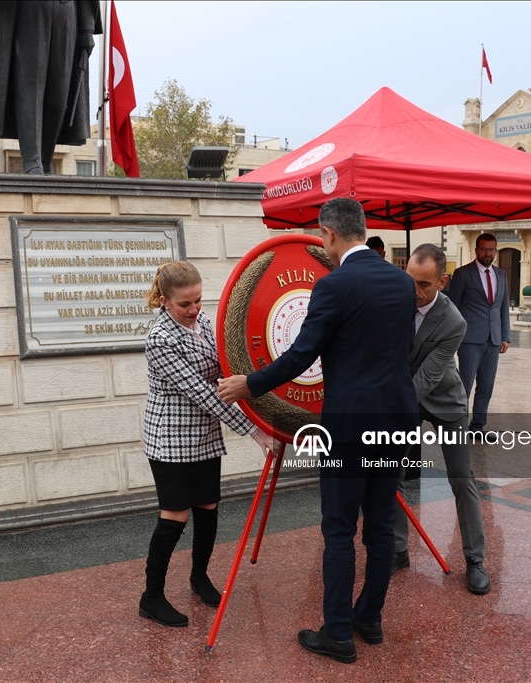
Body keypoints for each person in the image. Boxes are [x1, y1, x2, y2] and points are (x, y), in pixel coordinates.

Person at [218, 198, 418, 664]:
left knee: (339, 530)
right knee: (382, 527)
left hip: (350, 427)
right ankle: (370, 618)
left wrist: (249, 383)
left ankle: (339, 634)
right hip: (397, 422)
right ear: (362, 230)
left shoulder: (334, 285)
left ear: (328, 233)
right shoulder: (401, 281)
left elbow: (300, 356)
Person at [140, 261, 273, 628]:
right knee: (175, 516)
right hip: (172, 439)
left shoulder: (201, 323)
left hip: (204, 436)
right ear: (165, 301)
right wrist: (254, 431)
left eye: (198, 300)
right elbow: (204, 393)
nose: (195, 309)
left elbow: (225, 370)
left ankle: (199, 577)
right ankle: (151, 596)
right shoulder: (160, 340)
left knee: (208, 507)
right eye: (185, 304)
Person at [395, 244, 489, 594]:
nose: (415, 292)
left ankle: (475, 560)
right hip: (405, 398)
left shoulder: (454, 321)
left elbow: (429, 377)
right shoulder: (397, 302)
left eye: (424, 285)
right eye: (411, 282)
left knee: (461, 479)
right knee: (393, 473)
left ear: (442, 282)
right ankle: (398, 549)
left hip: (444, 402)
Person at [0, 1, 102, 174]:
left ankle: (46, 161)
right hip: (30, 9)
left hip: (66, 11)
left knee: (59, 98)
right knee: (30, 90)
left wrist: (87, 28)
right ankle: (33, 162)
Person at [447, 233, 511, 431]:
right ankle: (457, 425)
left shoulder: (501, 275)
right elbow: (453, 307)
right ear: (476, 250)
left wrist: (505, 337)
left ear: (496, 250)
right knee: (464, 385)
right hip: (469, 340)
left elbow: (503, 308)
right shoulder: (463, 274)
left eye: (491, 249)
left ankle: (477, 426)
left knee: (486, 386)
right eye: (484, 249)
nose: (487, 253)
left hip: (493, 339)